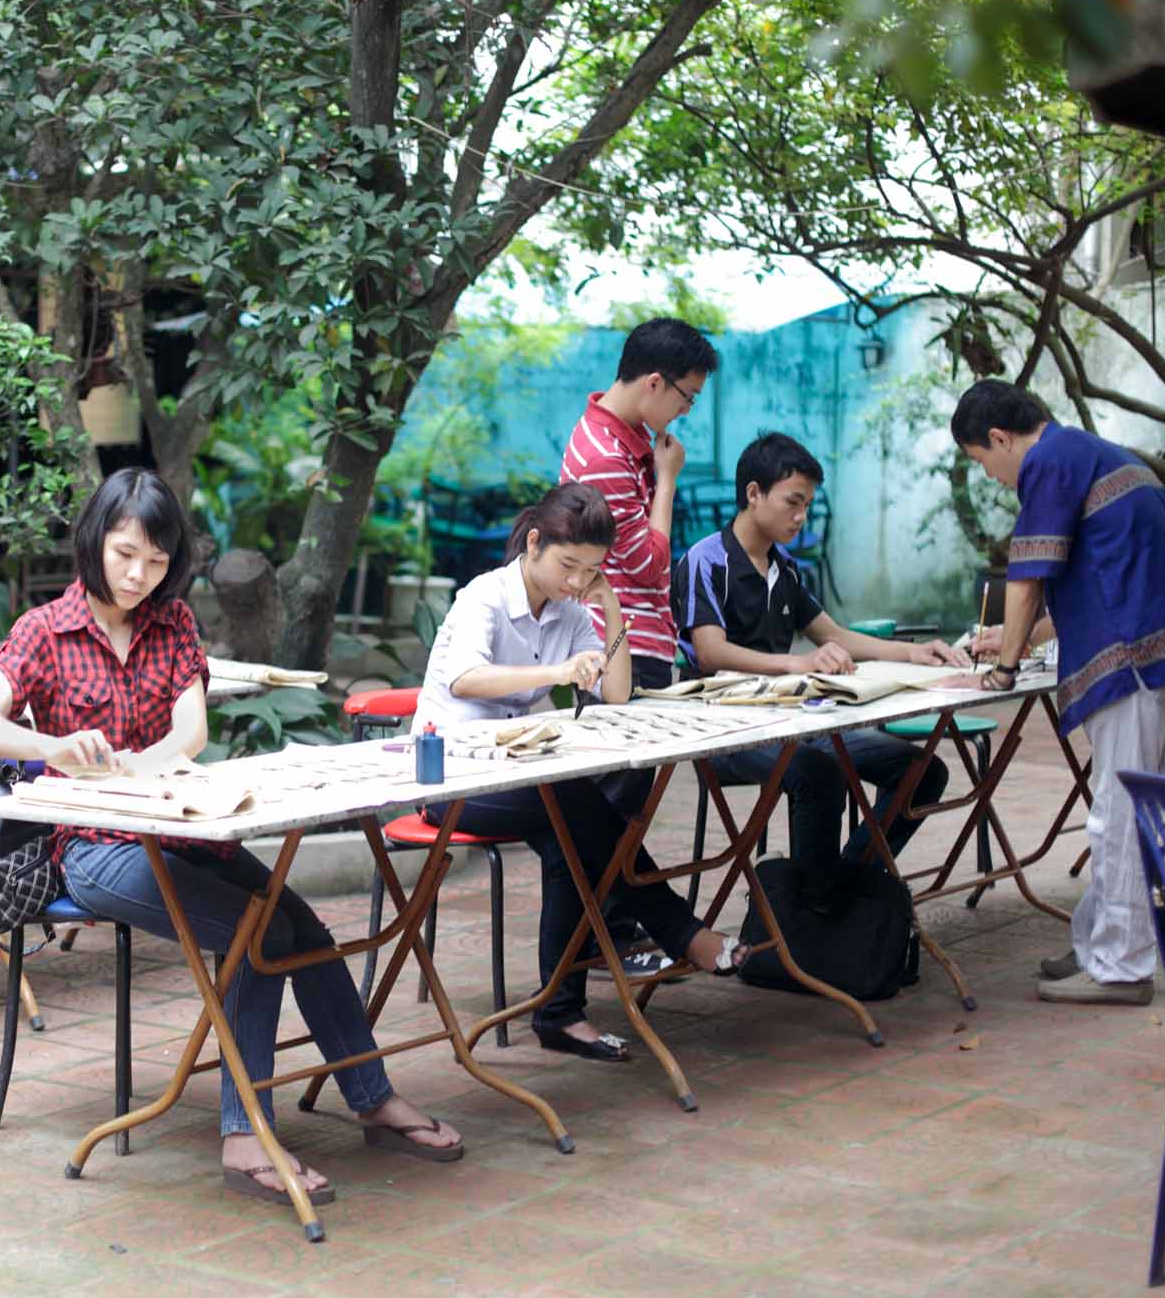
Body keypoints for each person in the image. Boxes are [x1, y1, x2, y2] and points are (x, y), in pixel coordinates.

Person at [0, 467, 464, 1208]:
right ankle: (242, 1135)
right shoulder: (45, 630)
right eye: (125, 553)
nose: (138, 575)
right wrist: (56, 747)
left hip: (187, 832)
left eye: (157, 561)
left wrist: (148, 764)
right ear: (95, 540)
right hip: (97, 848)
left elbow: (190, 730)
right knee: (253, 932)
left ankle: (371, 1096)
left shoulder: (174, 625)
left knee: (303, 926)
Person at [412, 482, 750, 1064]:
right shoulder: (484, 598)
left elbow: (616, 694)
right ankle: (678, 936)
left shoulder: (570, 610)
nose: (574, 582)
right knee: (580, 813)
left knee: (571, 836)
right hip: (452, 778)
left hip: (525, 775)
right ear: (534, 542)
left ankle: (561, 1013)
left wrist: (610, 601)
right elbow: (465, 678)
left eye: (588, 571)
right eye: (568, 565)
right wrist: (558, 668)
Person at [938, 380, 1165, 1004]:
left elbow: (1027, 579)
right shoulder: (1093, 453)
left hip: (1135, 656)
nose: (990, 476)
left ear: (999, 438)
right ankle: (1099, 941)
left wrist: (1003, 669)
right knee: (1138, 803)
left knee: (1117, 810)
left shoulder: (1046, 462)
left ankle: (1120, 967)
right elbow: (1089, 579)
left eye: (981, 461)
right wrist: (1009, 638)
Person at [672, 432, 972, 900]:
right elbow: (710, 651)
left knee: (923, 772)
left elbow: (835, 635)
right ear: (754, 494)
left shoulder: (786, 569)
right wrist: (798, 664)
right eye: (793, 502)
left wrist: (915, 653)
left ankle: (842, 882)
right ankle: (816, 909)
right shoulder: (704, 561)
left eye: (807, 505)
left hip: (793, 722)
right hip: (724, 733)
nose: (801, 516)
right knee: (816, 771)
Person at [557, 317, 721, 966]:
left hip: (635, 640)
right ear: (654, 382)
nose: (686, 410)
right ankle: (602, 942)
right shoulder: (605, 452)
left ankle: (612, 935)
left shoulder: (621, 436)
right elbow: (649, 566)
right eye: (686, 395)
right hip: (619, 648)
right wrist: (670, 478)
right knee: (609, 815)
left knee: (616, 815)